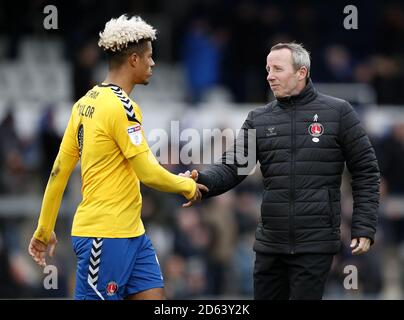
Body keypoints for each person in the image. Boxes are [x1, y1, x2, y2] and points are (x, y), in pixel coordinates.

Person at [28, 14, 207, 300]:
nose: (153, 63)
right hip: (104, 236)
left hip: (133, 234)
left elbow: (59, 170)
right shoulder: (123, 108)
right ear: (133, 60)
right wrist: (186, 185)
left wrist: (44, 228)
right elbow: (147, 172)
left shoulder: (83, 104)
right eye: (149, 57)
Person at [183, 42, 380, 300]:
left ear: (301, 72)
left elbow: (366, 171)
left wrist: (364, 226)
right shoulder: (259, 118)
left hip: (315, 244)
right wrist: (202, 180)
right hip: (269, 244)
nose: (269, 75)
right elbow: (233, 167)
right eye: (267, 69)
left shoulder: (339, 112)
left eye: (277, 68)